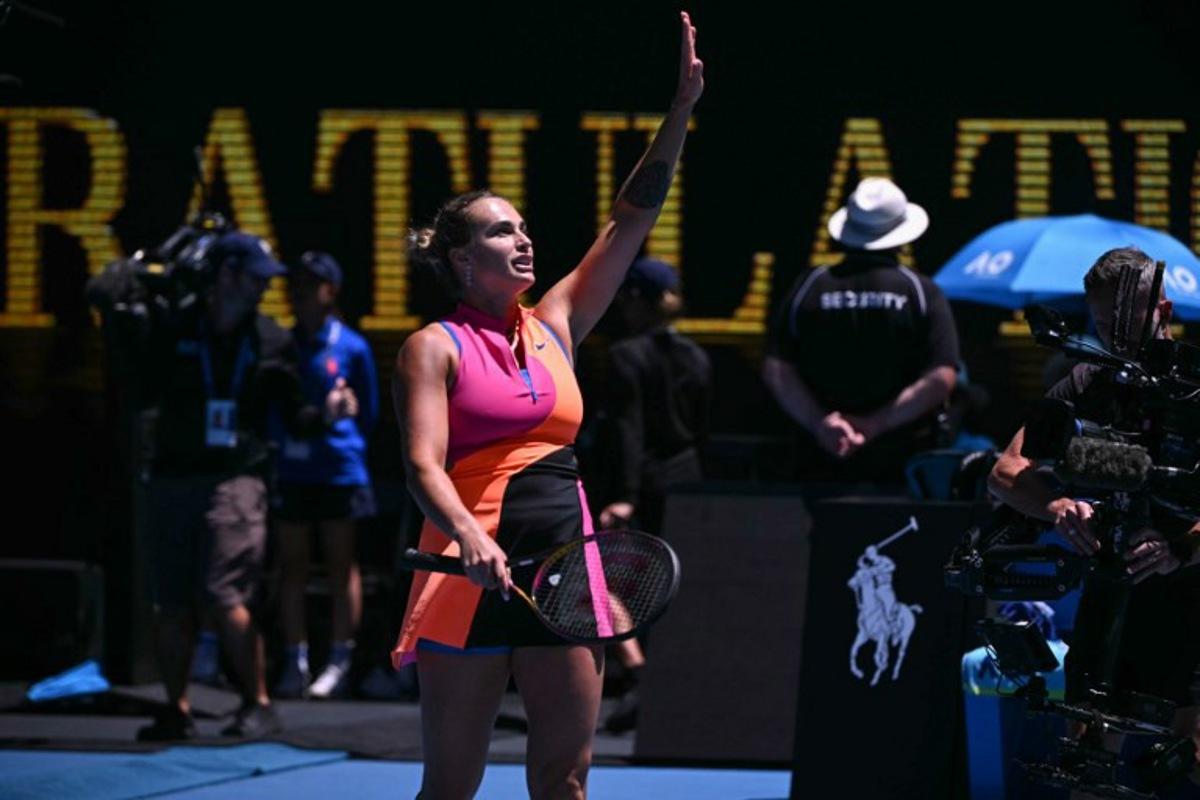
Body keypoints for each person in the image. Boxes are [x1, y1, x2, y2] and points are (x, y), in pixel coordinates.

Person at [390, 13, 703, 798]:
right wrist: (467, 536)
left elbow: (632, 217)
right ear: (462, 259)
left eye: (525, 228)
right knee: (451, 786)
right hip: (467, 573)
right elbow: (423, 464)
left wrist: (679, 114)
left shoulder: (558, 322)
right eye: (502, 232)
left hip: (566, 570)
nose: (524, 240)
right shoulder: (433, 346)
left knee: (565, 780)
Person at [87, 231, 358, 740]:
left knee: (224, 594)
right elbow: (137, 378)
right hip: (170, 476)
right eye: (255, 278)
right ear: (227, 275)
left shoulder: (270, 338)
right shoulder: (174, 325)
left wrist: (328, 412)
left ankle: (256, 702)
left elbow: (294, 413)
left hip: (235, 480)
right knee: (170, 602)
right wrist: (120, 302)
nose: (263, 288)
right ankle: (177, 708)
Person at [988, 247, 1200, 766]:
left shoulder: (1195, 387)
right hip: (1113, 595)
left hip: (1192, 594)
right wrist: (1059, 504)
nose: (1114, 336)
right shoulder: (1086, 383)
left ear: (1164, 313)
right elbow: (1006, 473)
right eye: (1103, 324)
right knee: (1087, 758)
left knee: (1190, 754)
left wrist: (1177, 548)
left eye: (1126, 321)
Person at [763, 177, 960, 484]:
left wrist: (821, 425)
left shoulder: (809, 285)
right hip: (901, 460)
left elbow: (778, 370)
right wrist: (874, 425)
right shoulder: (919, 291)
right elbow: (941, 377)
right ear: (903, 235)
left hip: (821, 455)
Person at [594, 256, 711, 733]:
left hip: (642, 486)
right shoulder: (699, 357)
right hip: (688, 482)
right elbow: (699, 429)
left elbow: (629, 430)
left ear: (637, 300)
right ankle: (658, 680)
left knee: (598, 582)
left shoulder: (625, 356)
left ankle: (643, 675)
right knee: (673, 587)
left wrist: (623, 494)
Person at [272, 251, 379, 699]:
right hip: (292, 470)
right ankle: (294, 661)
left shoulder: (352, 346)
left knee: (340, 566)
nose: (299, 292)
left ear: (329, 291)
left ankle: (338, 660)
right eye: (294, 284)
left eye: (310, 284)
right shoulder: (279, 344)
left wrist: (343, 434)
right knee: (292, 565)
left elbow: (369, 412)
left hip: (339, 471)